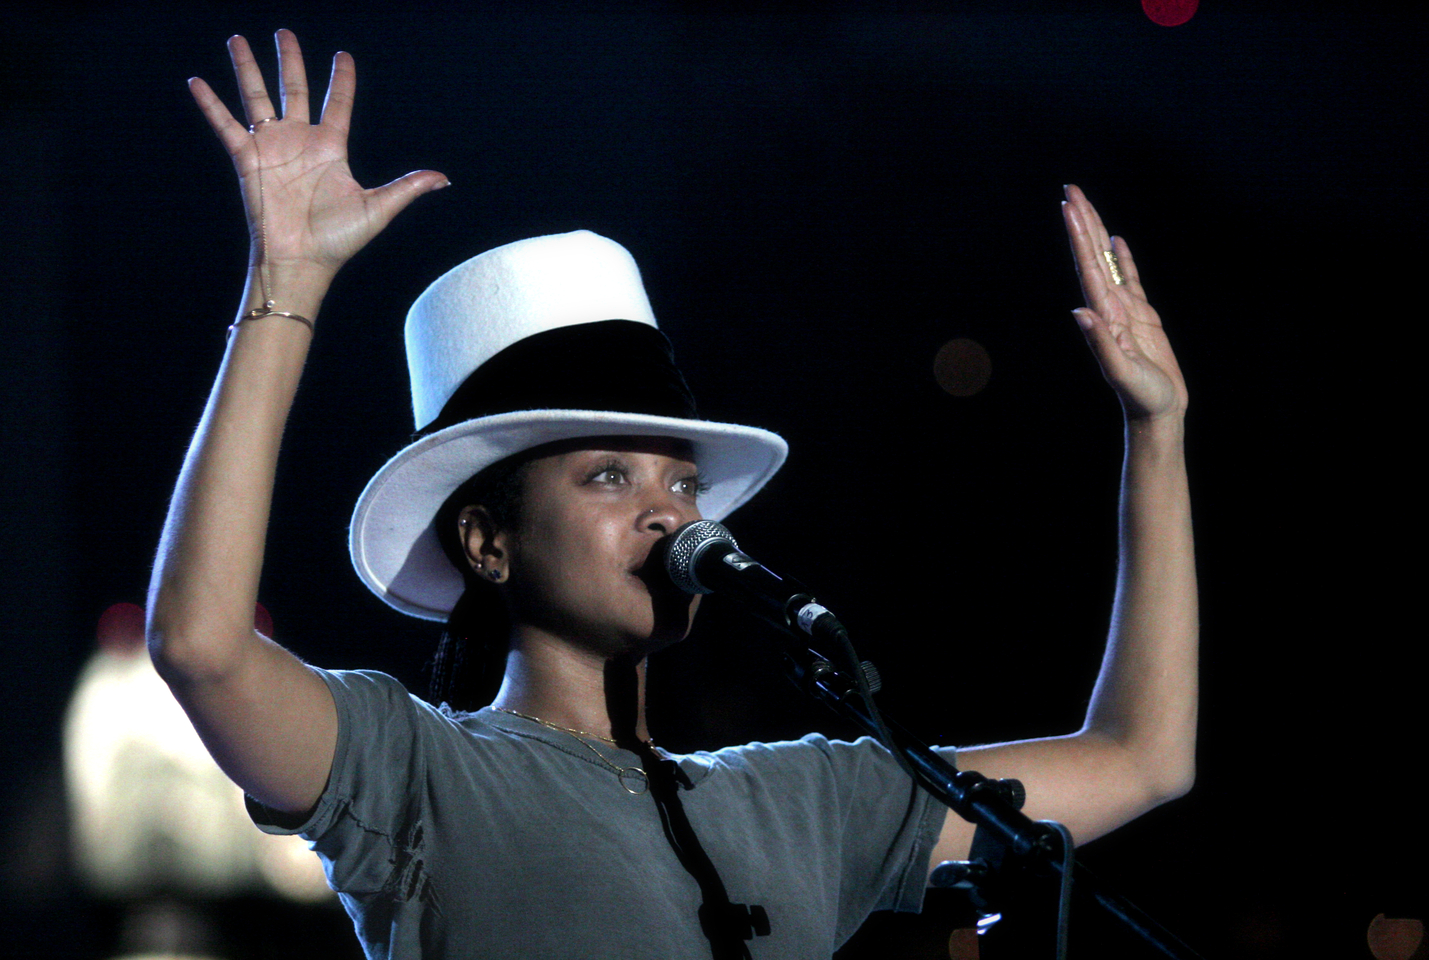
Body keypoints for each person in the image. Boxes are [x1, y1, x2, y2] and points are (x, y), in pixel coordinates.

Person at [148, 30, 1197, 960]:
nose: (671, 512)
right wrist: (283, 285)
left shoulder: (810, 799)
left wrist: (1156, 432)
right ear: (486, 540)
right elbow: (201, 647)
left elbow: (1141, 760)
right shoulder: (418, 770)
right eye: (609, 475)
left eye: (684, 481)